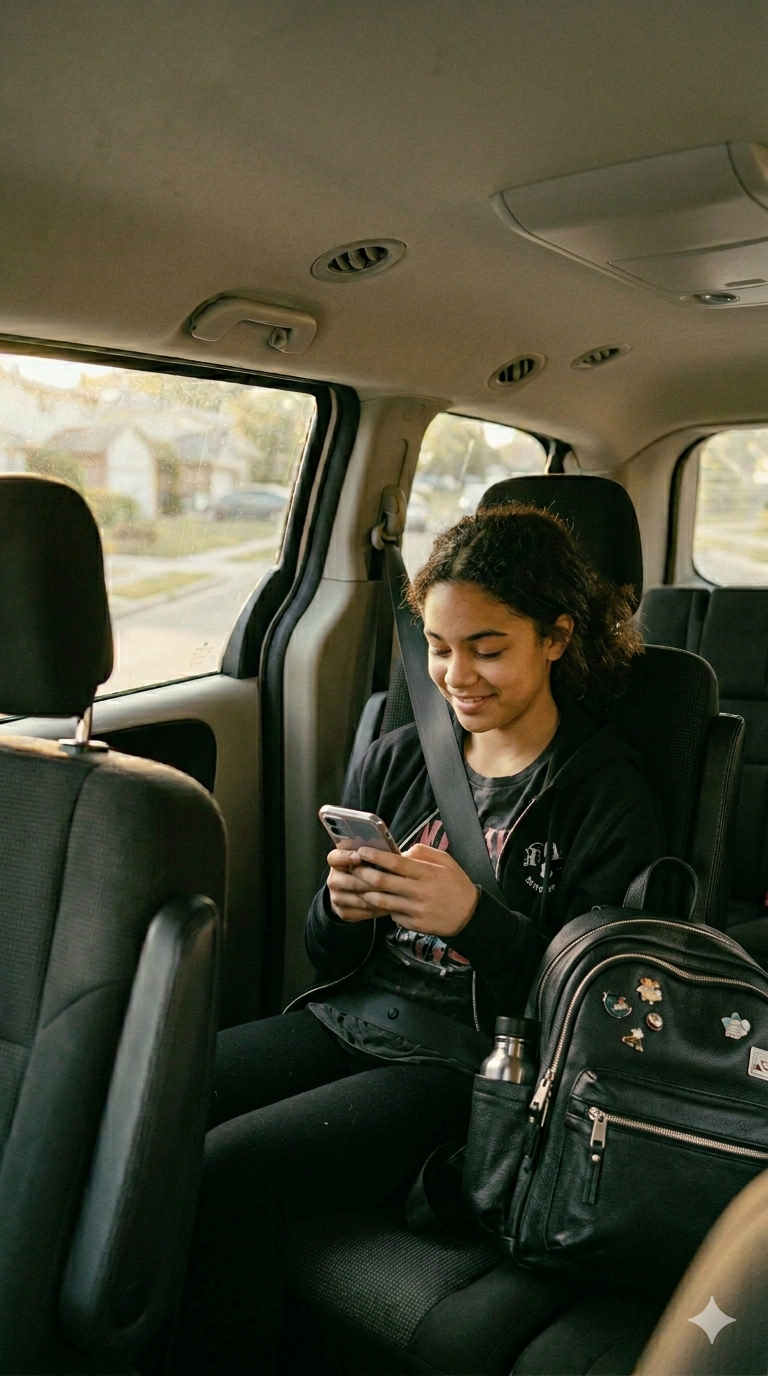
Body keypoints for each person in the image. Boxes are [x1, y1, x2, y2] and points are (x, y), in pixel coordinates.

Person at [173, 503, 664, 1373]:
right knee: (156, 1104)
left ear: (554, 638)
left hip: (469, 1065)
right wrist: (341, 905)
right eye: (439, 647)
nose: (455, 675)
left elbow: (603, 1014)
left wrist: (476, 922)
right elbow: (328, 957)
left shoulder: (607, 794)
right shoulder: (400, 758)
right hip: (348, 1018)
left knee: (226, 1176)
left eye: (486, 648)